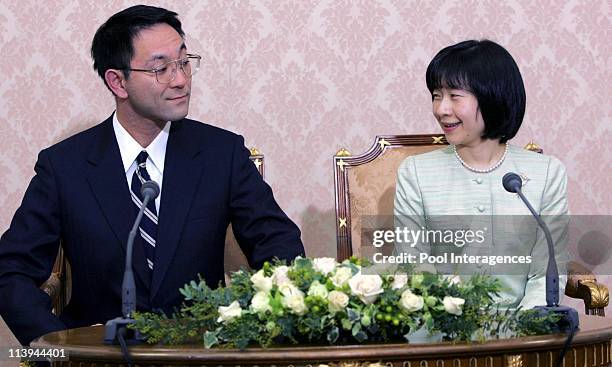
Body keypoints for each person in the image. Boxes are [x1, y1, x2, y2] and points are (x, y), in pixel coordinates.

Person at [0, 5, 304, 345]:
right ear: (117, 81)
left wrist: (265, 325)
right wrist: (56, 345)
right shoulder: (64, 167)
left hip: (200, 353)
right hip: (100, 357)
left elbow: (279, 246)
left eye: (184, 62)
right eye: (161, 68)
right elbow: (12, 271)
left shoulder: (222, 154)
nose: (180, 80)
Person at [394, 40, 568, 309]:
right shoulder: (415, 173)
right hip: (443, 333)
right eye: (436, 95)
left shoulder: (546, 173)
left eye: (454, 95)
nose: (441, 109)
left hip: (524, 336)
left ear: (492, 96)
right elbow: (414, 266)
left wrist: (525, 332)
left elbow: (544, 274)